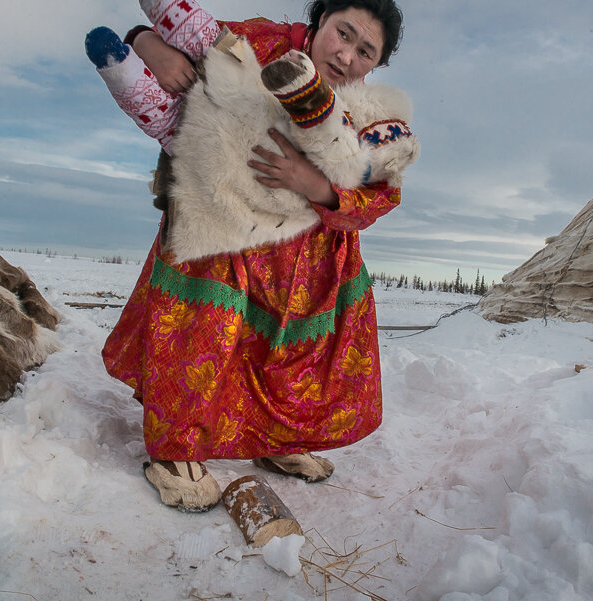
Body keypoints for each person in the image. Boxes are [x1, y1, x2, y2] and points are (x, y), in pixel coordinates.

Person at [101, 0, 407, 512]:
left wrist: (315, 185)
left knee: (294, 354)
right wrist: (145, 42)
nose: (347, 55)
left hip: (309, 254)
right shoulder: (261, 41)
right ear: (319, 23)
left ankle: (275, 441)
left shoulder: (374, 110)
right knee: (206, 330)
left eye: (365, 51)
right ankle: (174, 450)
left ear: (376, 65)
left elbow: (383, 191)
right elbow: (191, 41)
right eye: (343, 33)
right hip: (226, 224)